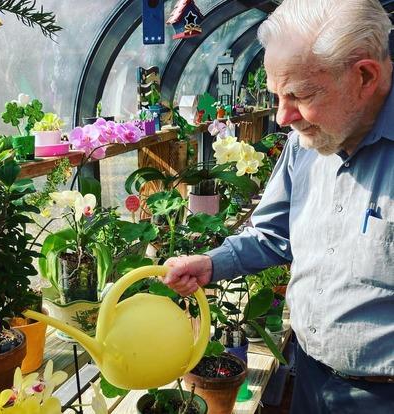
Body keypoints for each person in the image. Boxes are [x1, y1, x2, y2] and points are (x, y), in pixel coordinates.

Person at [163, 0, 394, 412]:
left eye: (300, 95)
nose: (283, 117)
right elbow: (272, 233)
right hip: (308, 375)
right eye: (276, 94)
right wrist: (211, 264)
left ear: (364, 76)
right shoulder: (304, 145)